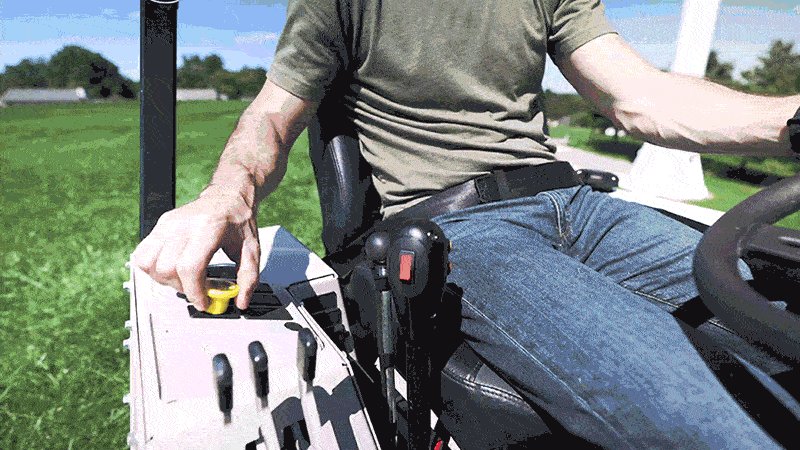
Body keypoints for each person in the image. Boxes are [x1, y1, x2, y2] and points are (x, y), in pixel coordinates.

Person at [133, 0, 800, 446]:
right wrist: (228, 193)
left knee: (780, 309)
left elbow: (639, 96)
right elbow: (273, 114)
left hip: (583, 207)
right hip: (464, 228)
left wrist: (790, 119)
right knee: (690, 401)